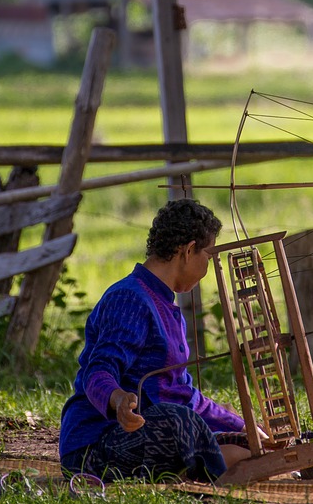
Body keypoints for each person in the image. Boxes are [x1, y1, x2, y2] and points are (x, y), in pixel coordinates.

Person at [59, 199, 251, 483]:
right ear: (188, 251)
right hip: (93, 449)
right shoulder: (129, 298)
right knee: (177, 422)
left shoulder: (167, 307)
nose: (208, 267)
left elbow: (185, 395)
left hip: (145, 438)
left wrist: (248, 429)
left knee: (237, 439)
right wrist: (119, 399)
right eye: (207, 257)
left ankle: (212, 464)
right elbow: (97, 371)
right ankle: (208, 467)